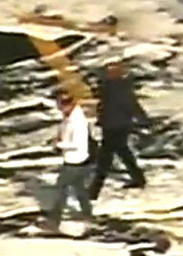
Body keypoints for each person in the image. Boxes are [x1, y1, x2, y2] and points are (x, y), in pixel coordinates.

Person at [88, 61, 148, 200]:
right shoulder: (113, 87)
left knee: (106, 157)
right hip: (116, 125)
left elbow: (132, 105)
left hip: (115, 126)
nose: (107, 74)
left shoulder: (117, 88)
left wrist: (143, 119)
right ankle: (139, 179)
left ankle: (94, 192)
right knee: (123, 153)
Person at [44, 90, 95, 232]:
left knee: (61, 189)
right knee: (79, 189)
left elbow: (77, 143)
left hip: (76, 159)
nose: (58, 108)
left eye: (60, 105)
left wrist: (59, 145)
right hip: (74, 159)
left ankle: (54, 220)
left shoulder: (77, 121)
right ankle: (88, 214)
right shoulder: (69, 116)